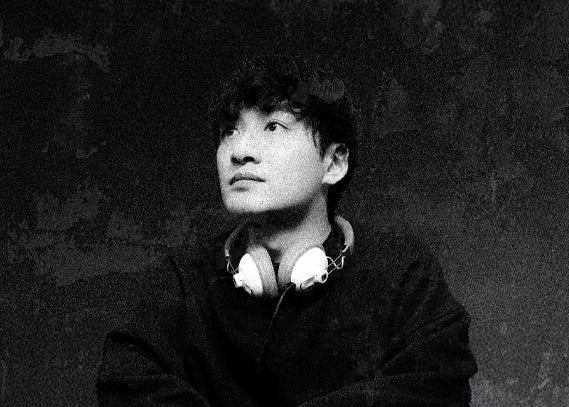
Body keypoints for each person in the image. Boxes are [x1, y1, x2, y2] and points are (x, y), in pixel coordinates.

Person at [96, 55, 477, 406]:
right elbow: (123, 381)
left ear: (334, 163)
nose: (240, 151)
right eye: (230, 130)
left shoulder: (402, 274)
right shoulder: (181, 278)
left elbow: (440, 387)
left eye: (273, 126)